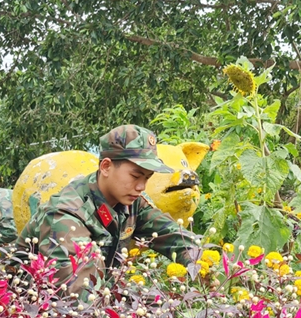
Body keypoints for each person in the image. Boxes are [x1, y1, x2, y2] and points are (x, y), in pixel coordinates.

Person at [15, 125, 201, 294]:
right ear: (106, 166)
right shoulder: (66, 213)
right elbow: (78, 294)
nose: (141, 186)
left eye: (147, 178)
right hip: (30, 315)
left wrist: (201, 264)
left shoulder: (131, 202)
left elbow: (173, 235)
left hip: (92, 307)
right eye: (135, 176)